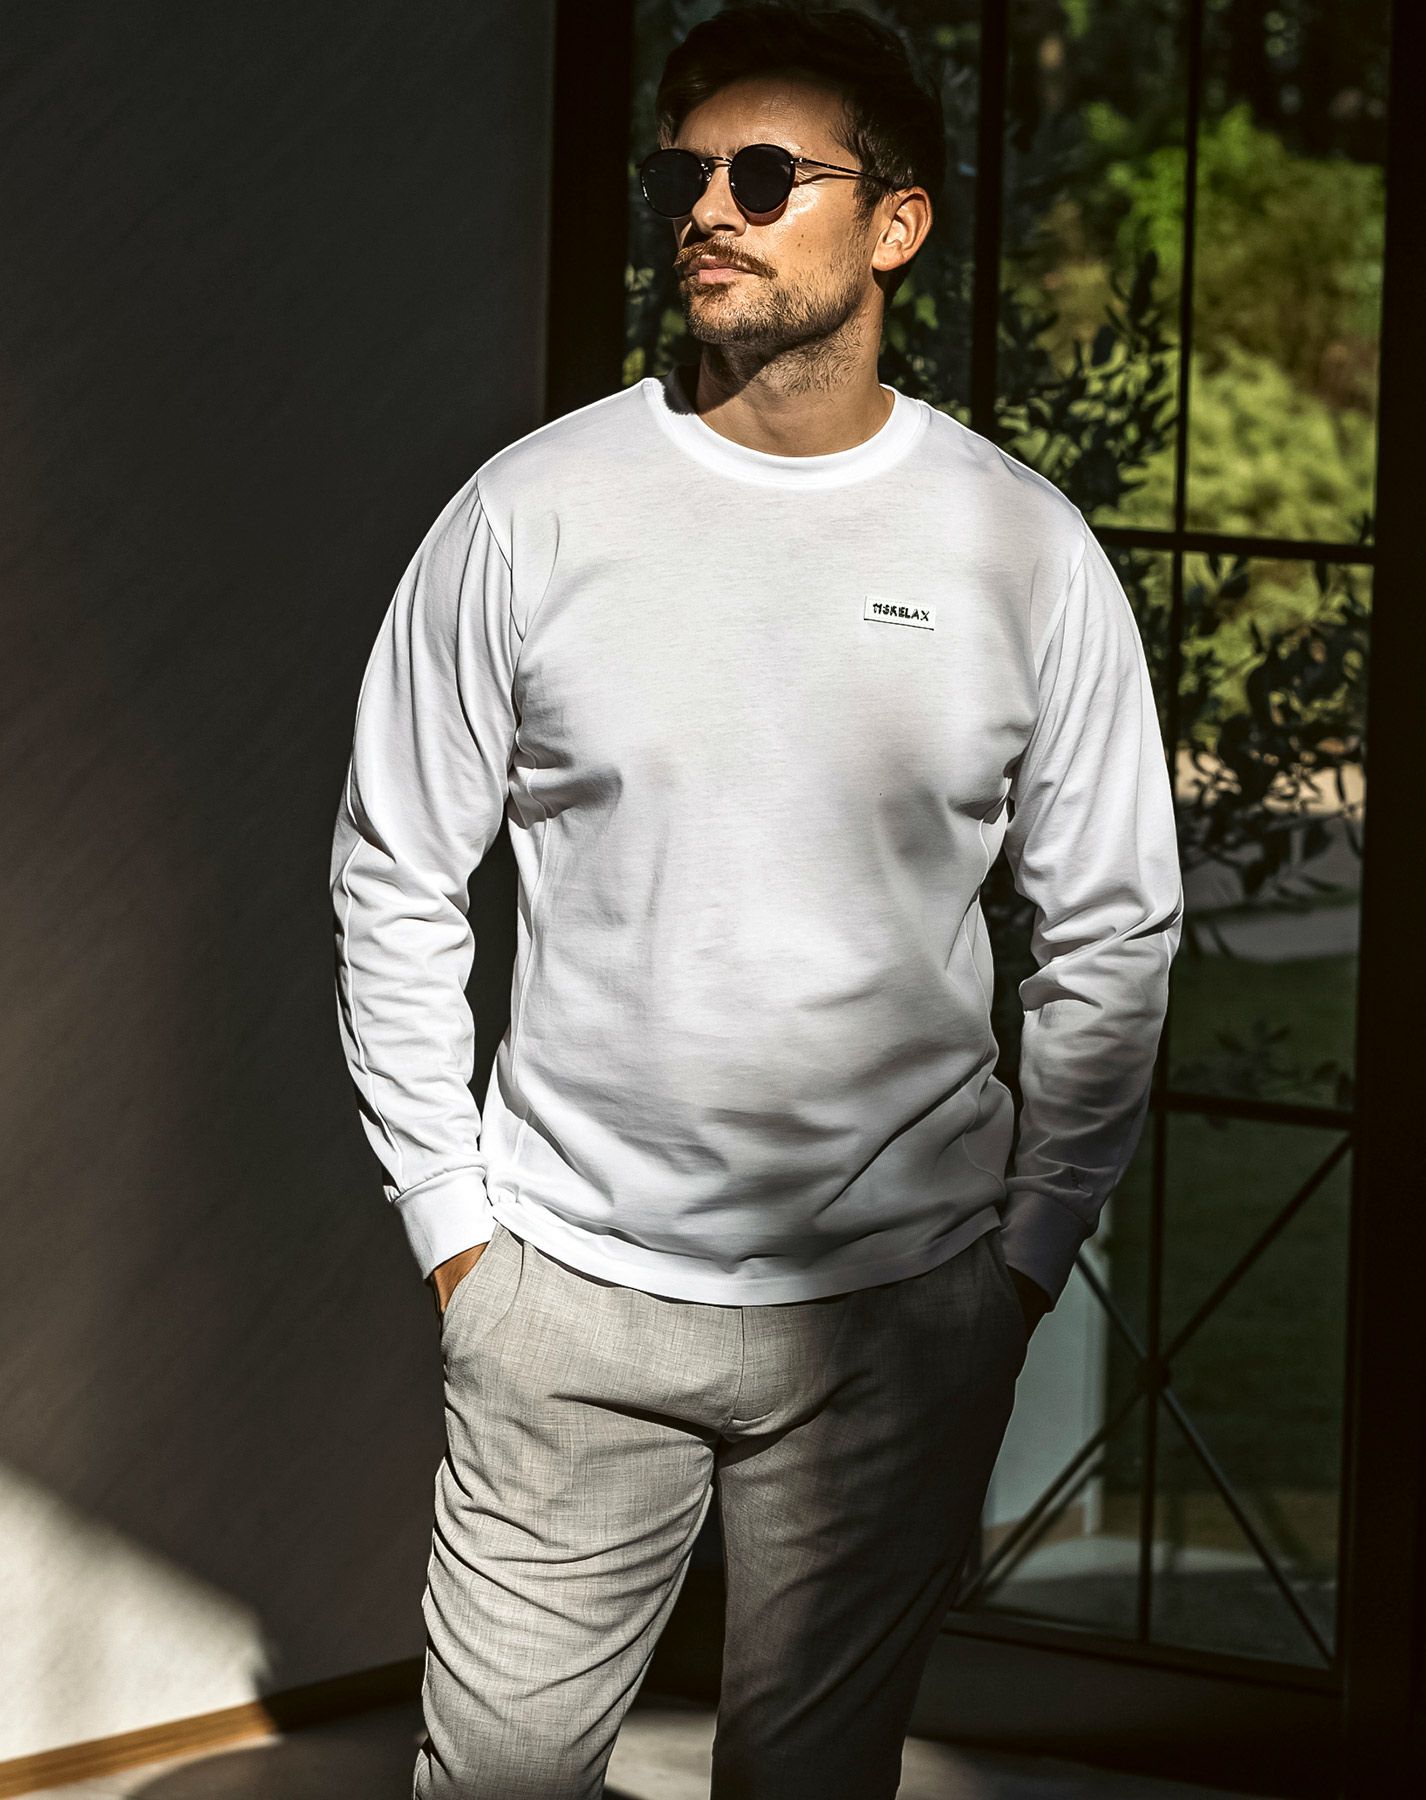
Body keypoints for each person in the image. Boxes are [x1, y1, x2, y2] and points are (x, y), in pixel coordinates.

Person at [328, 5, 1183, 1795]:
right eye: (685, 175)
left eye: (769, 173)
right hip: (564, 1292)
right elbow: (396, 872)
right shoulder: (528, 513)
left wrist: (1025, 1261)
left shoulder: (1022, 546)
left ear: (897, 223)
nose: (710, 209)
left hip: (899, 1307)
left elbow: (1112, 926)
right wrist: (457, 1236)